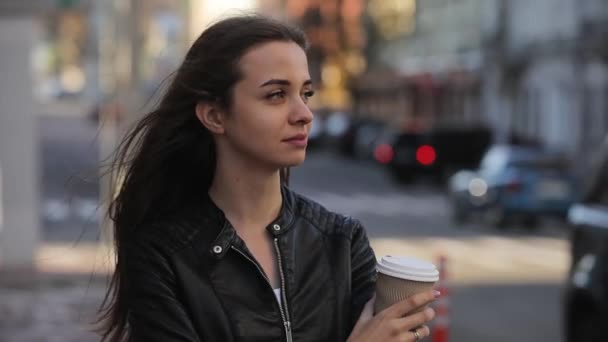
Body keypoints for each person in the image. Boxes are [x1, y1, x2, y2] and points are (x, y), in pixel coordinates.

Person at [96, 15, 438, 342]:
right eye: (276, 95)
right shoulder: (163, 253)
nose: (304, 115)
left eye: (305, 94)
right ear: (215, 115)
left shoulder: (341, 242)